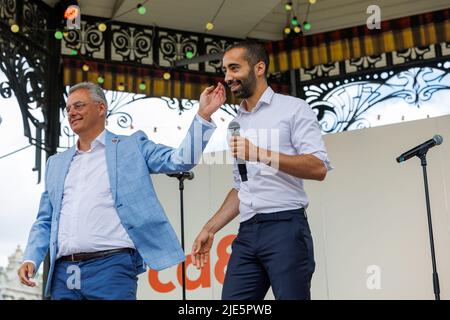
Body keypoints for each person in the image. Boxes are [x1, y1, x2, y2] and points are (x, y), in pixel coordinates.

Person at [18, 81, 225, 300]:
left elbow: (180, 161)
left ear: (100, 108)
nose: (71, 113)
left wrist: (202, 116)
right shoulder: (56, 163)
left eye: (78, 106)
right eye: (68, 109)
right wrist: (31, 258)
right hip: (63, 273)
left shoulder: (132, 146)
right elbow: (45, 220)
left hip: (111, 267)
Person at [191, 41, 332, 300]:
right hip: (247, 232)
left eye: (234, 68)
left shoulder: (293, 108)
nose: (227, 77)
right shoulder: (234, 124)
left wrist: (260, 154)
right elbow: (241, 186)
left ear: (259, 67)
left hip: (286, 226)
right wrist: (210, 228)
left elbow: (318, 167)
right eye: (224, 70)